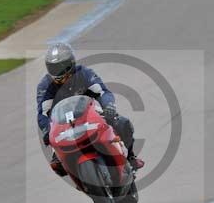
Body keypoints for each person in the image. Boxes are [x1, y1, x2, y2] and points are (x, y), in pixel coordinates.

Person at [37, 43, 144, 176]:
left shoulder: (84, 73)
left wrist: (108, 106)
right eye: (53, 67)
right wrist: (47, 130)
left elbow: (102, 92)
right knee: (56, 164)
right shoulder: (45, 85)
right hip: (62, 124)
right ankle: (76, 174)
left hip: (89, 114)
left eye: (61, 66)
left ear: (71, 63)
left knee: (122, 123)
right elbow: (42, 113)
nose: (57, 71)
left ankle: (130, 158)